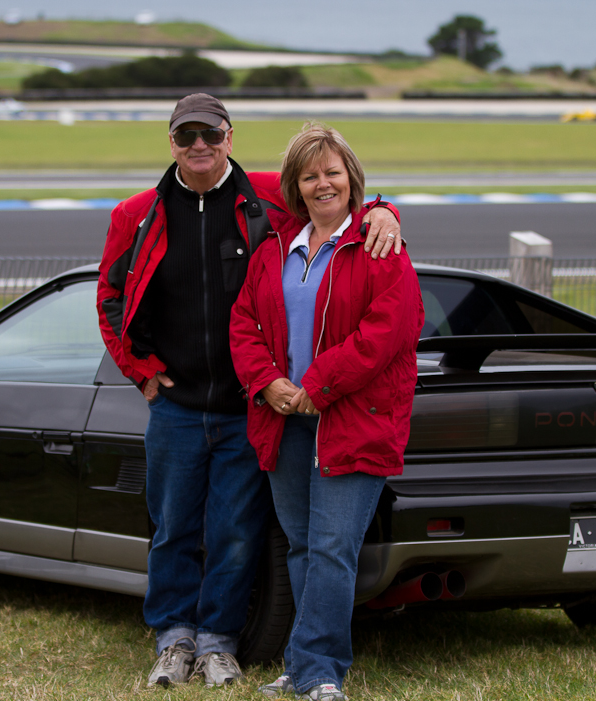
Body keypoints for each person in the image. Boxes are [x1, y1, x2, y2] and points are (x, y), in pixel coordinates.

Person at [96, 95, 403, 689]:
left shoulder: (265, 197)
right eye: (186, 136)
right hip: (177, 408)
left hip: (248, 409)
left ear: (229, 137)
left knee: (236, 534)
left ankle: (216, 643)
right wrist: (139, 369)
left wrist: (386, 209)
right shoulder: (135, 213)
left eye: (209, 134)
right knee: (172, 530)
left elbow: (336, 198)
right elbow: (109, 297)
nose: (199, 146)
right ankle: (172, 640)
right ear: (172, 143)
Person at [229, 123, 423, 701]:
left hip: (352, 419)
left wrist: (317, 385)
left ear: (352, 179)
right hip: (285, 421)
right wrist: (267, 383)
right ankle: (302, 663)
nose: (322, 184)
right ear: (295, 185)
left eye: (332, 173)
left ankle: (320, 673)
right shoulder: (274, 250)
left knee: (334, 548)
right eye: (310, 176)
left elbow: (387, 332)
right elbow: (244, 325)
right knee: (302, 546)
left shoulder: (380, 246)